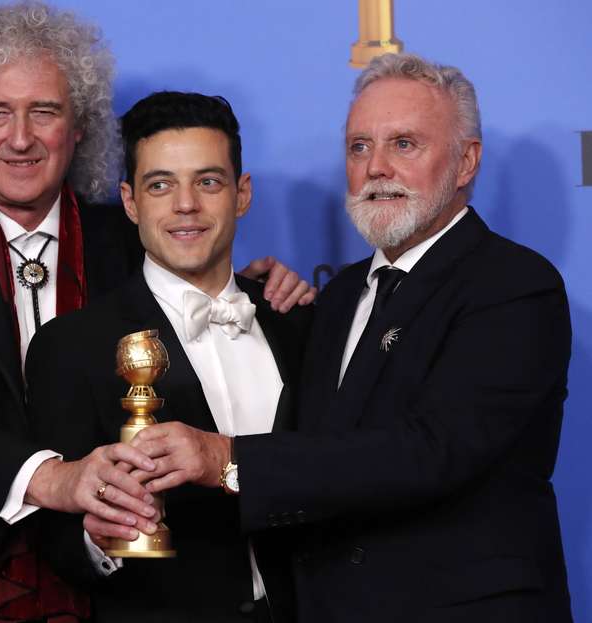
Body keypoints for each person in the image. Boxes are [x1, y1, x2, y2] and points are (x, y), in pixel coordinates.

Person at [0, 4, 312, 623]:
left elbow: (195, 299)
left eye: (45, 111)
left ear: (79, 125)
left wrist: (253, 290)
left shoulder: (131, 232)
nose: (21, 137)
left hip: (112, 590)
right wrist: (56, 480)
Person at [102, 53, 574, 622]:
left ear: (466, 160)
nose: (376, 168)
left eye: (404, 144)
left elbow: (431, 451)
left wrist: (227, 459)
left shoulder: (514, 286)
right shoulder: (339, 297)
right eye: (359, 147)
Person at [25, 91, 311, 623]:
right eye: (161, 185)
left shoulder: (300, 324)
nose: (186, 205)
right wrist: (95, 538)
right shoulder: (71, 347)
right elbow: (51, 536)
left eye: (208, 181)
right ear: (131, 202)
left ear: (242, 193)